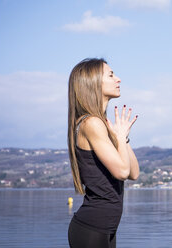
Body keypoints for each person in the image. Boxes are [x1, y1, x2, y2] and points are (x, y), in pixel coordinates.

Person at [67, 58, 140, 248]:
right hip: (91, 229)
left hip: (105, 230)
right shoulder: (91, 123)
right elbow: (122, 172)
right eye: (111, 75)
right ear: (93, 82)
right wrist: (120, 135)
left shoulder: (101, 123)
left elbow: (133, 173)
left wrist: (121, 138)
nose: (119, 79)